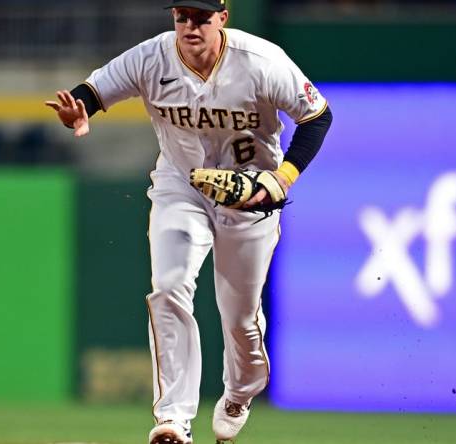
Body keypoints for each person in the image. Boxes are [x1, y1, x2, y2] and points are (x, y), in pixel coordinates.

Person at [45, 1, 332, 442]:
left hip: (248, 195)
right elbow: (93, 91)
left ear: (223, 18)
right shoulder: (151, 57)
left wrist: (281, 179)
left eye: (201, 16)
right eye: (182, 15)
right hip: (181, 186)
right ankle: (175, 418)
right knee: (169, 285)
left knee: (240, 318)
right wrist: (77, 110)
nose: (190, 25)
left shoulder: (261, 61)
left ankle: (240, 391)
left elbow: (317, 116)